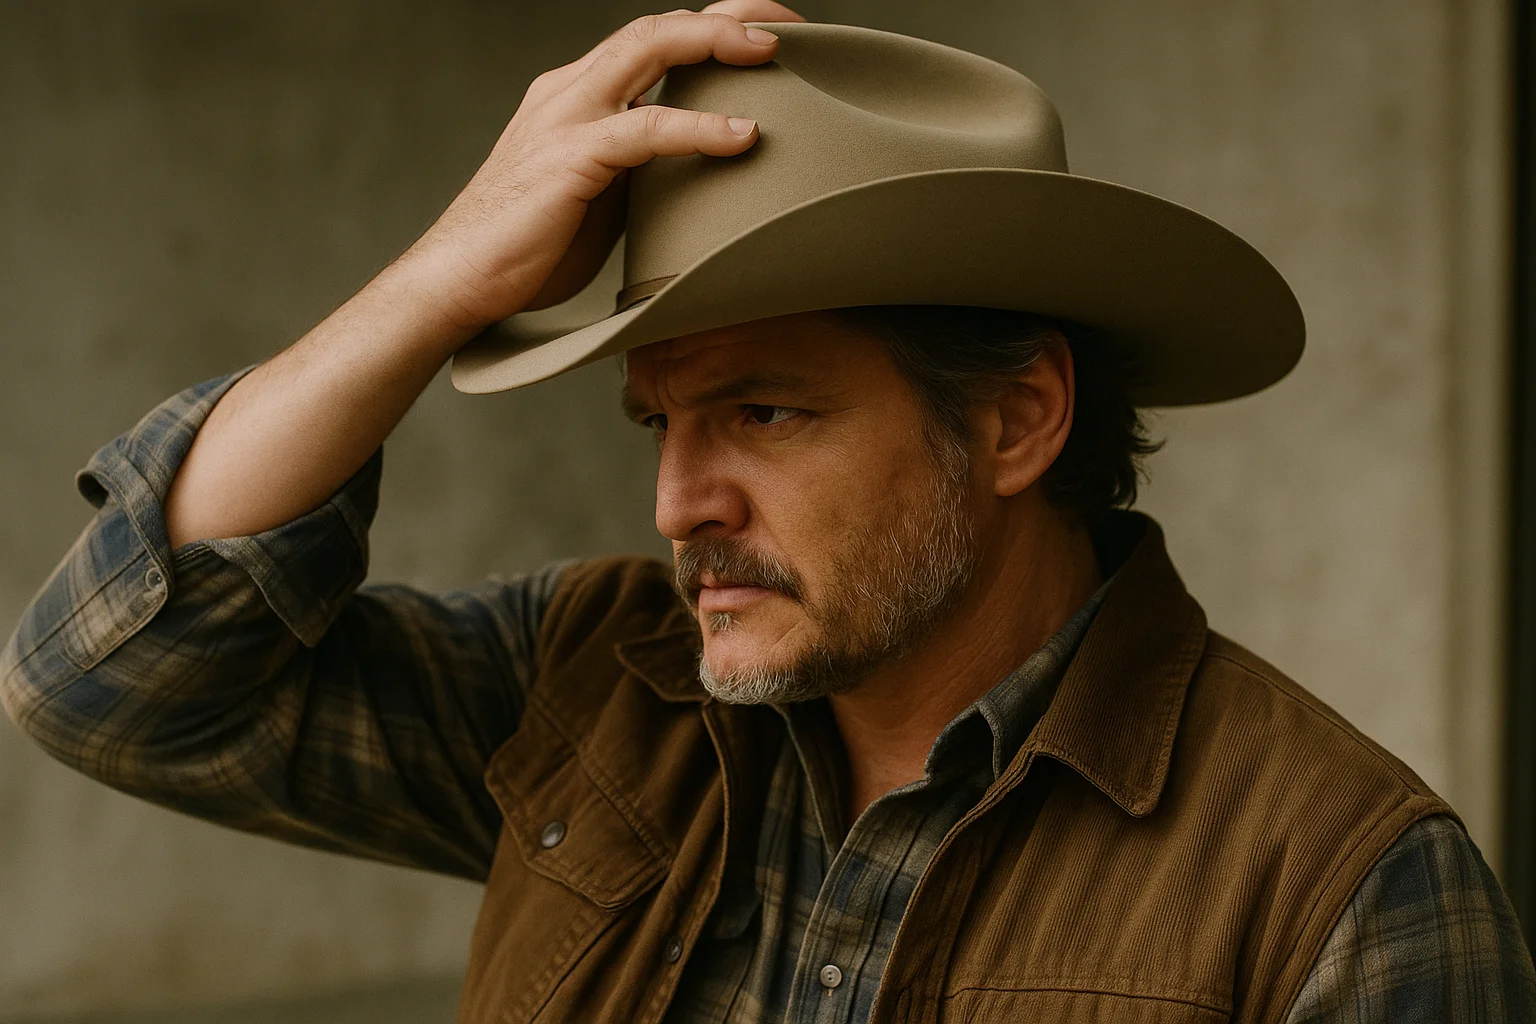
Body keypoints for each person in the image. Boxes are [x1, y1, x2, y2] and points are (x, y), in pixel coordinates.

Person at [3, 3, 1532, 1021]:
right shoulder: (597, 688)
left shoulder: (1340, 879)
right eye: (661, 419)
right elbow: (112, 686)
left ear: (1016, 418)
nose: (681, 501)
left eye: (765, 412)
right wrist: (440, 279)